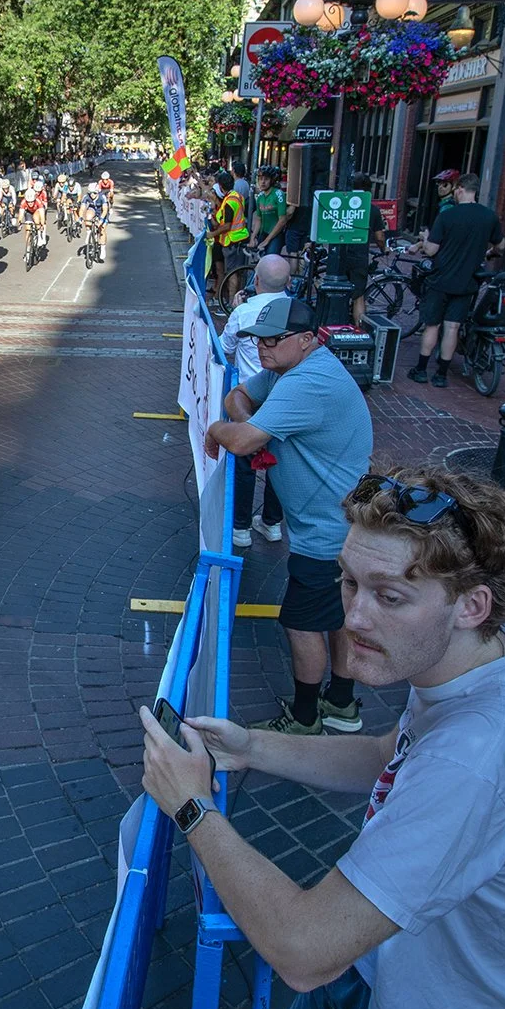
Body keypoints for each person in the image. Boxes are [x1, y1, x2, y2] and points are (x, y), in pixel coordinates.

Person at [136, 465, 505, 1009]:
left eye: (390, 596)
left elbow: (303, 950)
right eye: (349, 581)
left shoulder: (475, 760)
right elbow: (387, 757)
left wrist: (191, 807)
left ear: (472, 606)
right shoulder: (499, 656)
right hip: (376, 972)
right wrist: (252, 748)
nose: (353, 617)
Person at [202, 295, 373, 736]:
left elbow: (240, 440)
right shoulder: (288, 369)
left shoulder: (308, 383)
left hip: (328, 533)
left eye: (273, 340)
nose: (263, 348)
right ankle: (341, 703)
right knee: (336, 614)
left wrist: (220, 429)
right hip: (339, 525)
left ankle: (304, 718)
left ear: (306, 339)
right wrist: (251, 424)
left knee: (300, 622)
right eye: (258, 340)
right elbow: (238, 394)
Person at [218, 254, 293, 548]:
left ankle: (240, 528)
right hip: (285, 396)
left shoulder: (244, 311)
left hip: (249, 398)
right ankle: (272, 523)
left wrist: (236, 309)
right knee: (280, 461)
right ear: (288, 282)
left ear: (256, 280)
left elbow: (223, 347)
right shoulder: (296, 311)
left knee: (245, 460)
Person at [407, 175, 501, 388]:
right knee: (452, 327)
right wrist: (489, 252)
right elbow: (501, 245)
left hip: (440, 279)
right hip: (467, 281)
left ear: (459, 189)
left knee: (432, 325)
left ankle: (421, 370)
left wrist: (425, 238)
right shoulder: (489, 216)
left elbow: (431, 250)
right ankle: (441, 374)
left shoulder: (448, 216)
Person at [346, 172, 386, 326]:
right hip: (359, 256)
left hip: (340, 254)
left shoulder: (343, 205)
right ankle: (359, 328)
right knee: (359, 296)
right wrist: (384, 249)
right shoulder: (372, 209)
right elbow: (380, 237)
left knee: (339, 291)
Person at [247, 169, 292, 258]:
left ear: (272, 180)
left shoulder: (278, 194)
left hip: (276, 234)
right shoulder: (260, 197)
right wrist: (253, 237)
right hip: (264, 232)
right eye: (260, 179)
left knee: (270, 258)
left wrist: (267, 240)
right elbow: (259, 219)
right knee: (259, 258)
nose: (263, 182)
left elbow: (282, 220)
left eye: (266, 179)